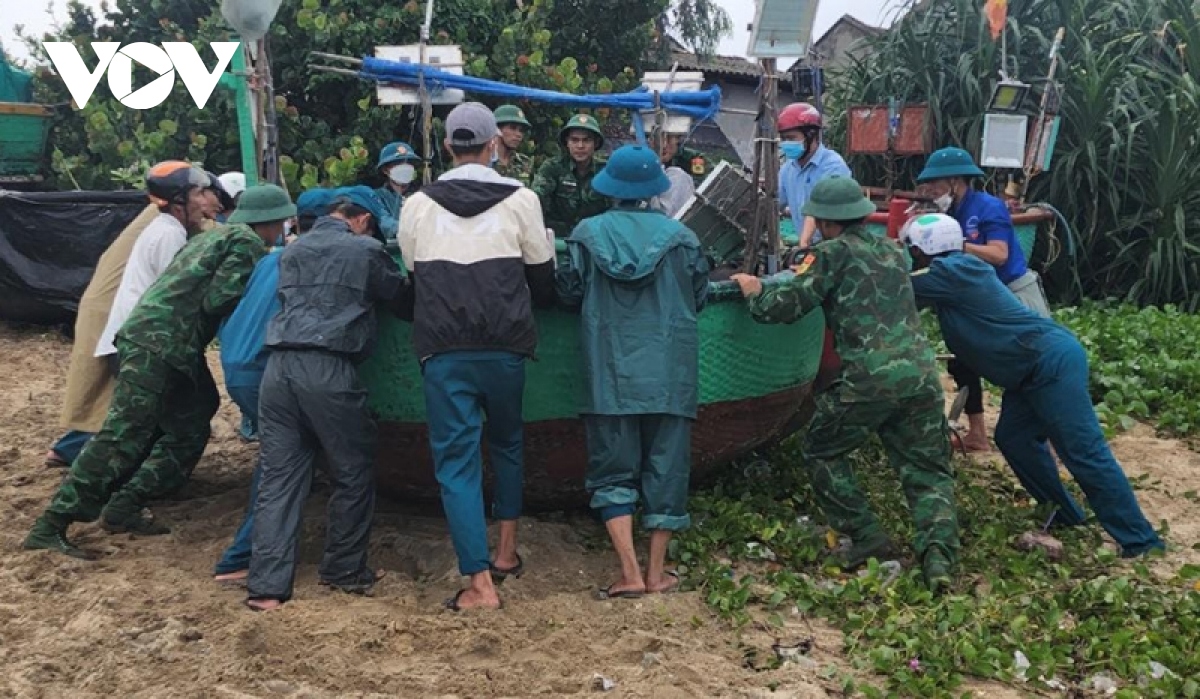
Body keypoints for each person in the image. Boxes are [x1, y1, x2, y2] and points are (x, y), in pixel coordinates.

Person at [23, 185, 292, 558]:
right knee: (122, 433)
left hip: (163, 340)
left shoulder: (217, 236)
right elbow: (219, 298)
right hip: (160, 343)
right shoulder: (246, 244)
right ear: (273, 222)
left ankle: (126, 502)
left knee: (195, 414)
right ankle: (52, 523)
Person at [730, 176, 959, 592]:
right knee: (928, 471)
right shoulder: (894, 253)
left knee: (822, 449)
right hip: (922, 377)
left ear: (826, 221)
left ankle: (867, 535)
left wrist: (754, 290)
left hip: (870, 380)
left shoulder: (830, 254)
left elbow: (786, 306)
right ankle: (939, 562)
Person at [902, 213, 1165, 558]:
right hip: (1028, 373)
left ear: (926, 249)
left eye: (913, 249)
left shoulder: (956, 271)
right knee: (1014, 438)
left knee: (1084, 451)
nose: (912, 256)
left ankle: (1141, 541)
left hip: (1049, 364)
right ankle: (1065, 516)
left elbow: (898, 289)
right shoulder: (952, 277)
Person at [399, 102, 556, 611]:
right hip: (507, 346)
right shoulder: (522, 199)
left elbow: (413, 275)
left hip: (444, 350)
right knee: (508, 445)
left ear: (448, 146)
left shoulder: (418, 204)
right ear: (493, 146)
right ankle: (506, 552)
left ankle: (479, 582)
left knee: (457, 465)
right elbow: (543, 280)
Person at [557, 145, 709, 598]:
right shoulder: (682, 238)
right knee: (667, 468)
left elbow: (568, 293)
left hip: (610, 373)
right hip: (670, 372)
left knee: (612, 470)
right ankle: (658, 571)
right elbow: (698, 296)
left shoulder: (585, 235)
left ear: (610, 189)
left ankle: (628, 571)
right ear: (652, 191)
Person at [246, 186, 406, 611]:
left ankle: (266, 586)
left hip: (278, 369)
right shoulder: (367, 250)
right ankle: (343, 569)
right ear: (365, 220)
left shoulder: (293, 251)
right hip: (329, 367)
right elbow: (402, 298)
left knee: (280, 476)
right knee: (352, 470)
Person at [916, 146, 1051, 452]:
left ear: (956, 181)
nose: (931, 191)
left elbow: (999, 255)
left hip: (1013, 291)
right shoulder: (949, 213)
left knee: (1034, 362)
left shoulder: (989, 207)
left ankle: (1054, 436)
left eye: (936, 184)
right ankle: (977, 434)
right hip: (977, 299)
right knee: (963, 358)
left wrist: (957, 244)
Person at [44, 202, 162, 469]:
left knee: (108, 390)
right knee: (118, 394)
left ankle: (69, 448)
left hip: (113, 309)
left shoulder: (157, 220)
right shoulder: (168, 227)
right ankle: (78, 454)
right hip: (117, 313)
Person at [95, 162, 212, 363]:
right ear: (179, 203)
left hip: (134, 342)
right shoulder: (169, 235)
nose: (203, 202)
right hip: (140, 345)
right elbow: (179, 293)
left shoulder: (163, 228)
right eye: (198, 194)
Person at [776, 103, 851, 248]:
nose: (786, 143)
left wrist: (803, 245)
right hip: (809, 249)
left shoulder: (833, 166)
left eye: (792, 138)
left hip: (837, 248)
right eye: (784, 139)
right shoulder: (787, 170)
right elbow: (775, 203)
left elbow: (820, 208)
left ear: (812, 135)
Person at [532, 113, 610, 237]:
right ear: (567, 143)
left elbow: (615, 210)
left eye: (587, 140)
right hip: (558, 238)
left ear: (596, 143)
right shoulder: (552, 167)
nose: (580, 146)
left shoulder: (605, 171)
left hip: (595, 239)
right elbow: (536, 200)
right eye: (574, 140)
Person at [374, 141, 421, 241]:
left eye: (409, 163)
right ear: (385, 170)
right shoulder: (376, 197)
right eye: (398, 164)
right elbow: (385, 224)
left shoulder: (422, 195)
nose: (405, 167)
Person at [493, 104, 535, 185]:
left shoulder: (525, 162)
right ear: (497, 129)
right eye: (512, 128)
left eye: (521, 130)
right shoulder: (484, 161)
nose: (518, 134)